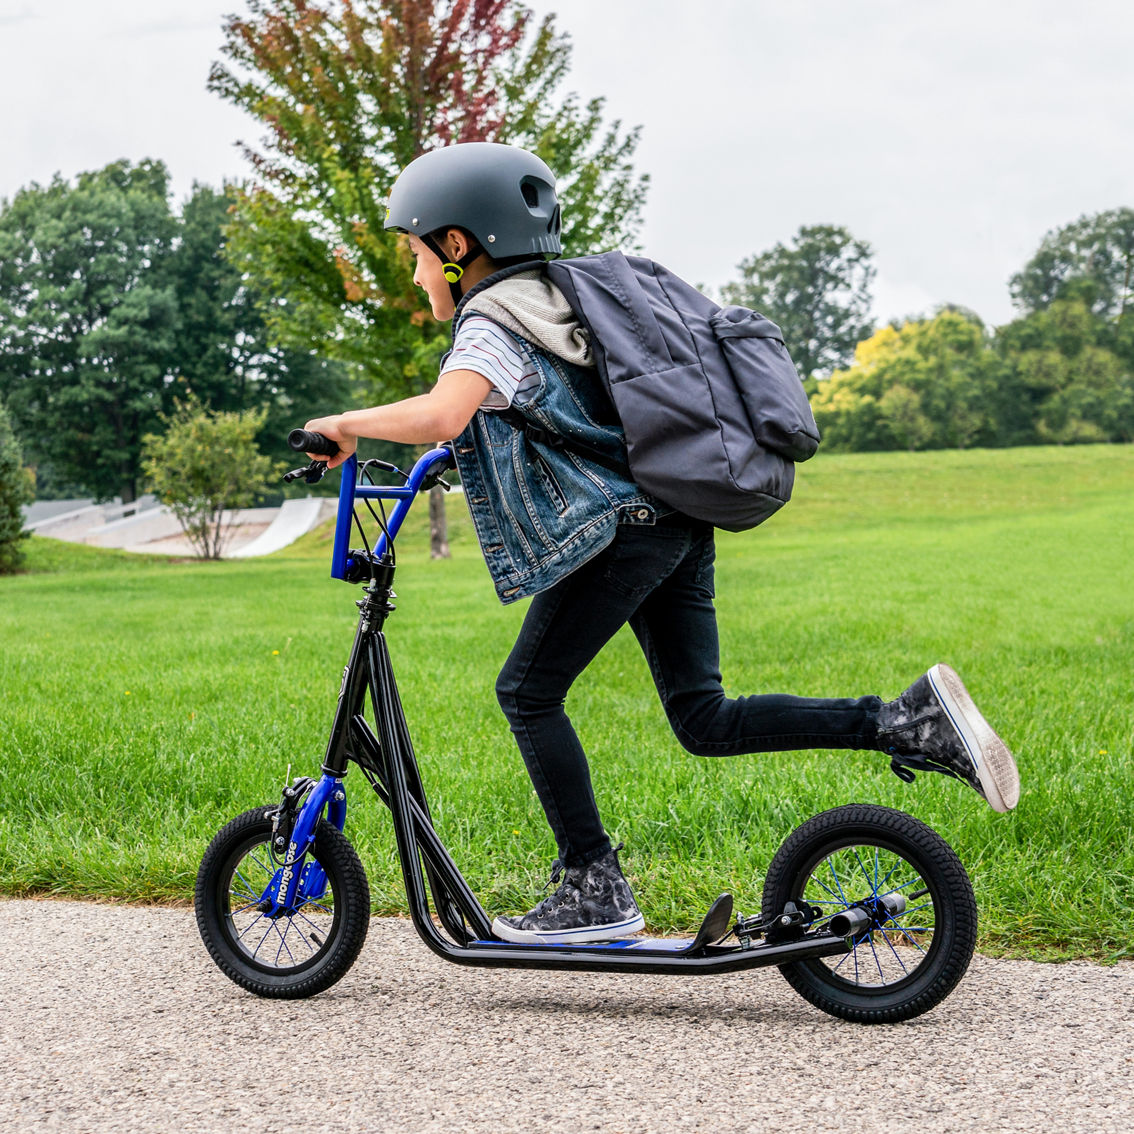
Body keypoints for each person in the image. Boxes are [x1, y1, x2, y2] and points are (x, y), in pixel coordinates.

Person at [304, 142, 1020, 946]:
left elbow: (444, 413)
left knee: (527, 693)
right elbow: (553, 424)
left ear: (458, 244)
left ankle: (593, 887)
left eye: (414, 252)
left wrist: (344, 424)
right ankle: (906, 721)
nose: (414, 273)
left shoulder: (492, 319)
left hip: (624, 534)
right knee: (702, 716)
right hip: (675, 519)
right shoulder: (564, 301)